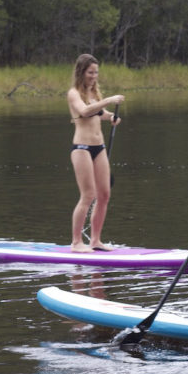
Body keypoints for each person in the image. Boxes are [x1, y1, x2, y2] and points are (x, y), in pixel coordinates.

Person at [67, 53, 124, 253]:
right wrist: (109, 99)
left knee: (104, 194)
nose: (94, 76)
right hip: (82, 149)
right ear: (81, 72)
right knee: (88, 195)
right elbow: (84, 112)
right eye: (90, 72)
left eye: (96, 72)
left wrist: (111, 117)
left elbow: (99, 113)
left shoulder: (94, 94)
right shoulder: (74, 93)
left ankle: (96, 241)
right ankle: (76, 243)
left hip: (99, 148)